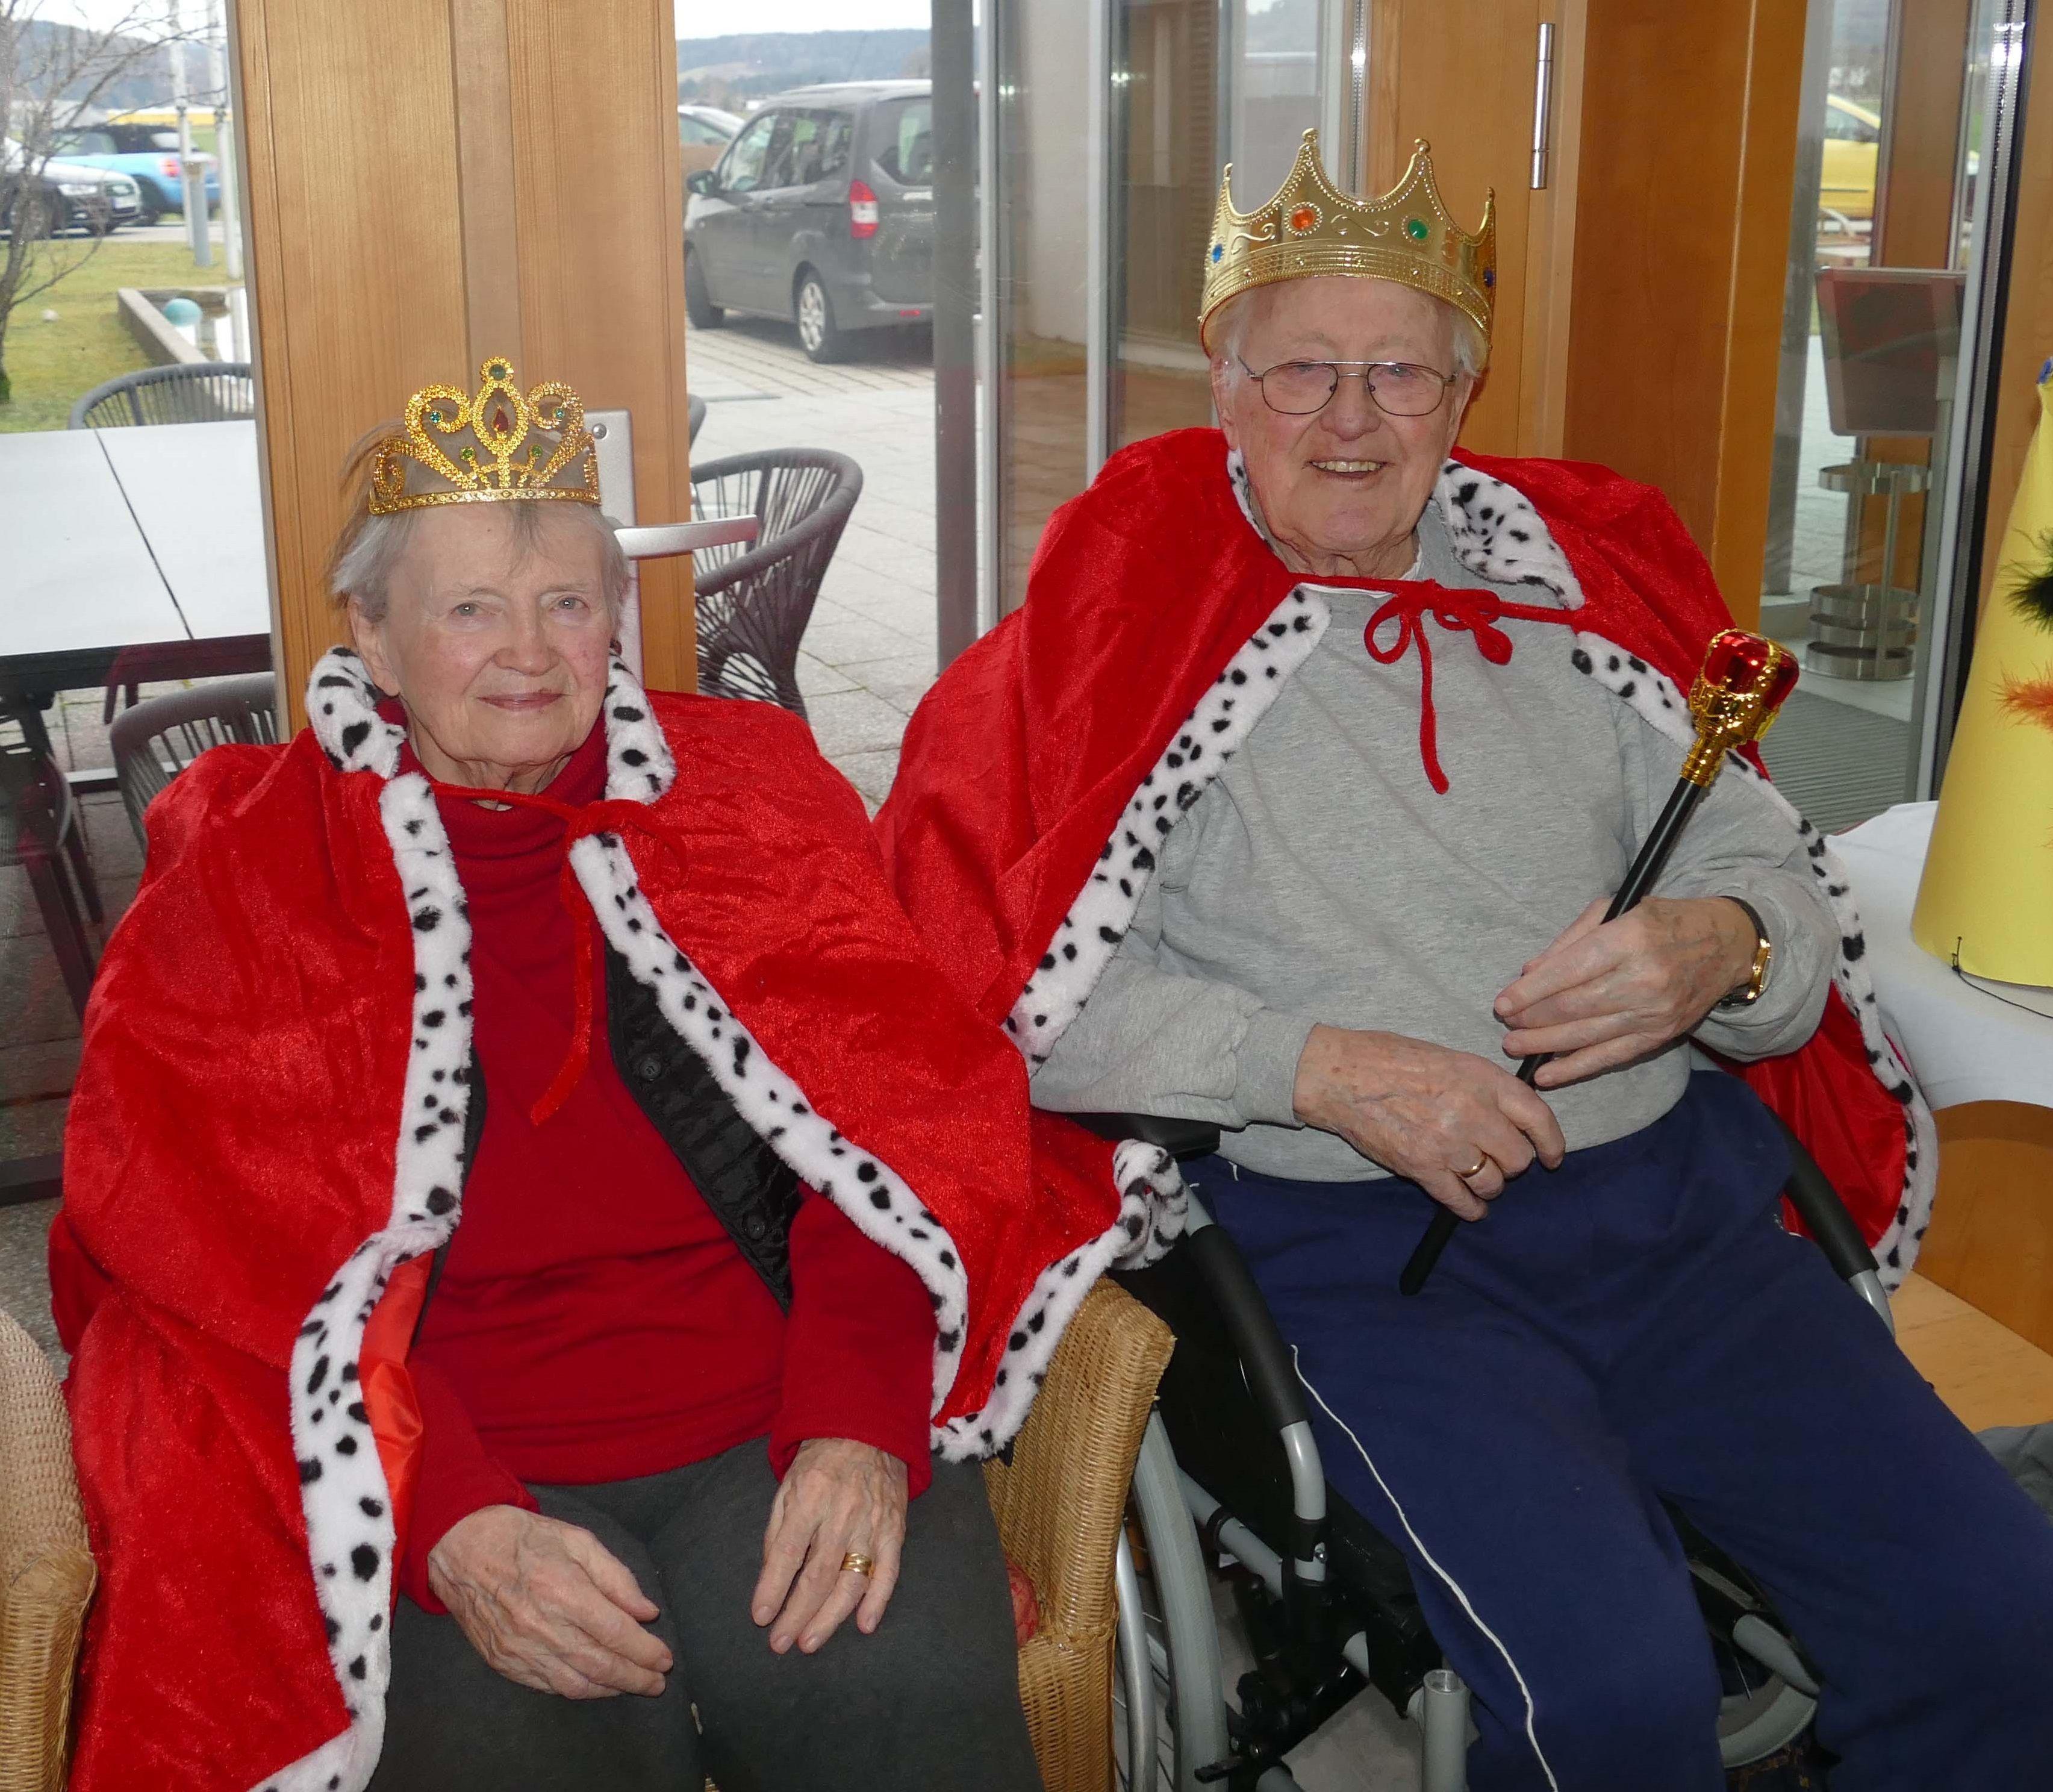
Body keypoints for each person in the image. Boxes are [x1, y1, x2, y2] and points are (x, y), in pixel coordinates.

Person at [878, 136, 2053, 1789]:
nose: (1351, 418)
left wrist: (1719, 948)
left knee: (2003, 1616)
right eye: (1301, 370)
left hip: (1679, 1224)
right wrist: (1316, 1071)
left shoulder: (1581, 594)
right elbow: (997, 995)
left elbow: (1763, 869)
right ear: (1222, 385)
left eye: (1400, 374)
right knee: (1610, 1703)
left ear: (1459, 398)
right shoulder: (1105, 637)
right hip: (1370, 1268)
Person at [52, 357, 1182, 1792]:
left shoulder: (747, 804)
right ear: (373, 638)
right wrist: (450, 1520)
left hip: (772, 1420)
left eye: (570, 605)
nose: (529, 654)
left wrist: (856, 1422)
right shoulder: (253, 874)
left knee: (897, 1698)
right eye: (471, 609)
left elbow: (892, 1137)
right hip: (448, 1464)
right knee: (527, 1755)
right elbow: (217, 1261)